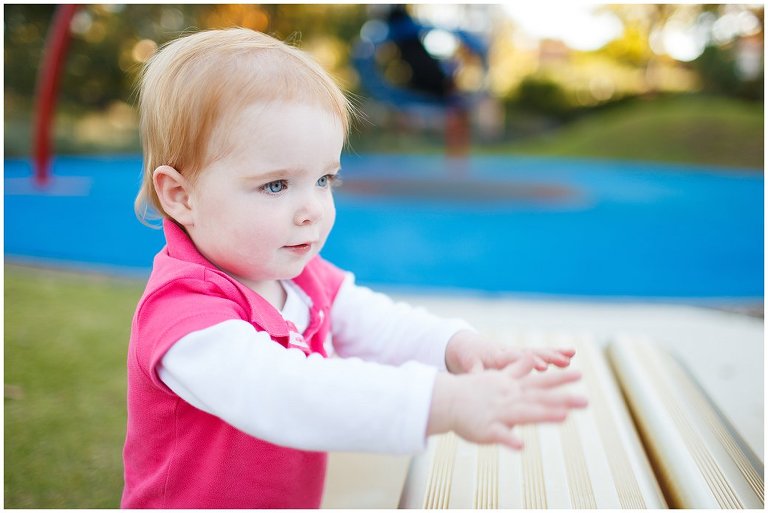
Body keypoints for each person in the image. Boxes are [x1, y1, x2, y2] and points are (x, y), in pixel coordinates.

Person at [122, 28, 587, 509]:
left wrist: (457, 347)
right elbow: (288, 395)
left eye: (324, 179)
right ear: (181, 196)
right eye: (276, 185)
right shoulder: (184, 317)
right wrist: (439, 402)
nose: (312, 210)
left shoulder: (295, 274)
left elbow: (378, 324)